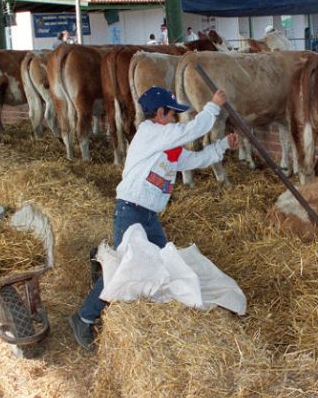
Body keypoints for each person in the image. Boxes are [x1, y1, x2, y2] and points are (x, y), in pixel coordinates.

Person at [68, 86, 240, 351]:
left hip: (148, 216)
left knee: (163, 263)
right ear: (160, 113)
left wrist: (223, 145)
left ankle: (105, 270)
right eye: (172, 114)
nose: (174, 120)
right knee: (126, 266)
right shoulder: (150, 133)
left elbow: (194, 159)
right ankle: (83, 317)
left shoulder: (167, 148)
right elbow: (191, 130)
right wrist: (213, 106)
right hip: (131, 209)